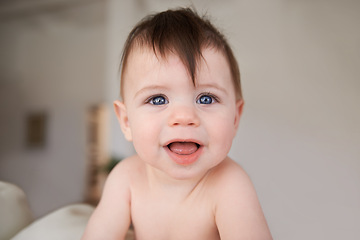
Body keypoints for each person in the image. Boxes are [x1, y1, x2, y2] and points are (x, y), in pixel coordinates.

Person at [82, 7, 272, 240]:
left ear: (235, 118)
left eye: (206, 98)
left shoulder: (229, 185)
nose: (184, 117)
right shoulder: (126, 178)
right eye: (158, 99)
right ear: (126, 121)